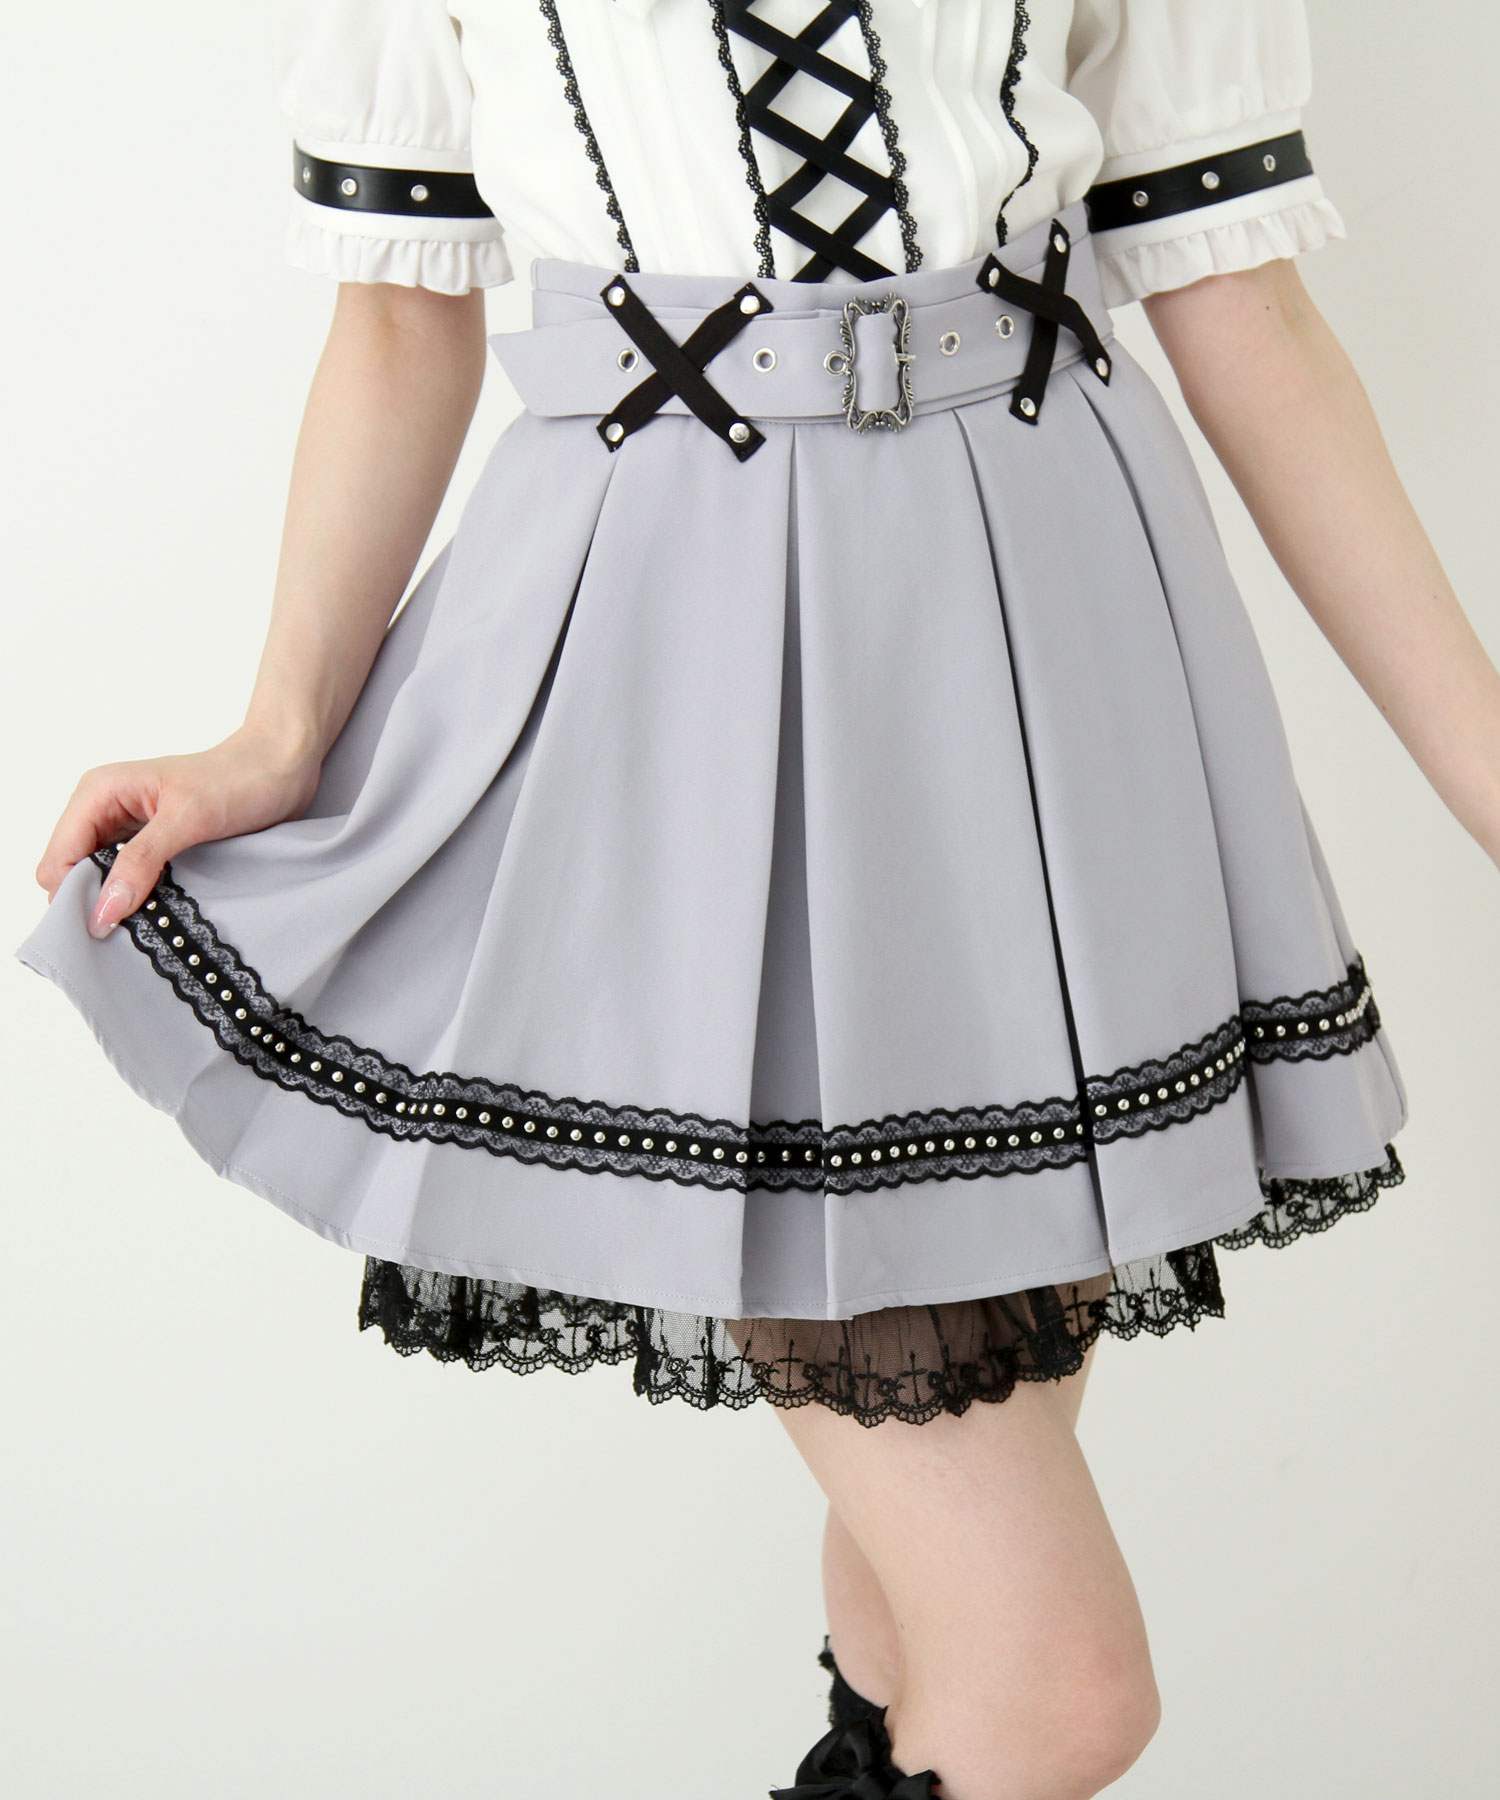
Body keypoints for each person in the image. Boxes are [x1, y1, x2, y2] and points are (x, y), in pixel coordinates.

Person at [18, 3, 1496, 1795]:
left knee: (920, 1628)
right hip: (680, 675)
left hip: (1046, 648)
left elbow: (1236, 292)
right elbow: (401, 317)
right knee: (1054, 1694)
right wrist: (279, 729)